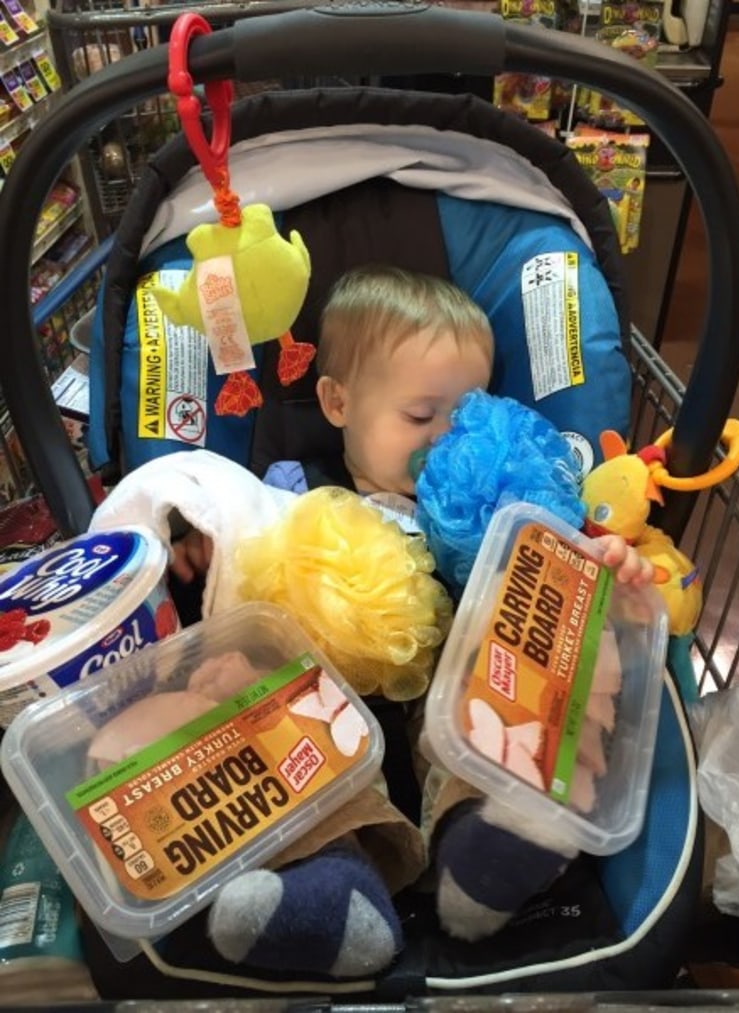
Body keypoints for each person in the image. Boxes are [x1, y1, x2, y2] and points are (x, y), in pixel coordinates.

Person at [172, 264, 654, 970]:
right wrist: (201, 539)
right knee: (263, 712)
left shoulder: (494, 512)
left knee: (497, 693)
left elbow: (552, 583)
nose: (442, 439)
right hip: (324, 695)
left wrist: (601, 558)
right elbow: (240, 532)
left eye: (468, 416)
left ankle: (484, 848)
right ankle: (328, 883)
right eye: (420, 416)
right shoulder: (291, 488)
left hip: (448, 692)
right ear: (337, 402)